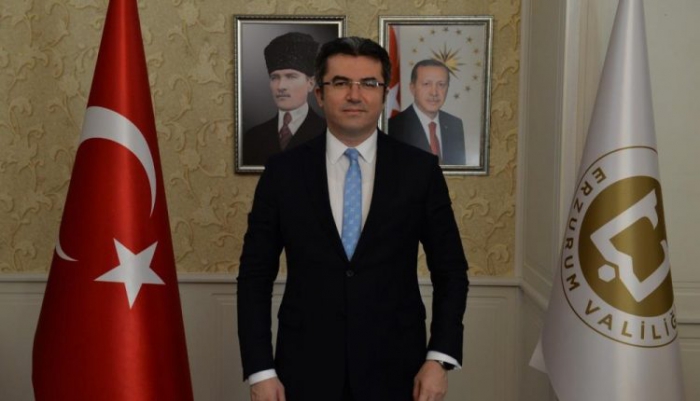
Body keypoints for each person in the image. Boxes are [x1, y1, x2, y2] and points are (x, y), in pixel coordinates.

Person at [237, 37, 469, 401]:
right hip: (303, 368)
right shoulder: (283, 172)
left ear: (385, 94)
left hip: (398, 369)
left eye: (369, 83)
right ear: (319, 93)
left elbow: (451, 270)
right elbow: (254, 275)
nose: (355, 95)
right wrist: (260, 370)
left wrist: (439, 358)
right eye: (341, 82)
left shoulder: (420, 171)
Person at [242, 32, 326, 166]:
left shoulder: (327, 132)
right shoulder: (253, 137)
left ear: (310, 83)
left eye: (291, 76)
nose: (281, 86)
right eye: (275, 77)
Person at [388, 59, 466, 165]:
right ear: (412, 88)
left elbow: (459, 170)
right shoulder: (394, 127)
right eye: (426, 84)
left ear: (447, 88)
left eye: (441, 84)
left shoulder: (455, 124)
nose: (434, 92)